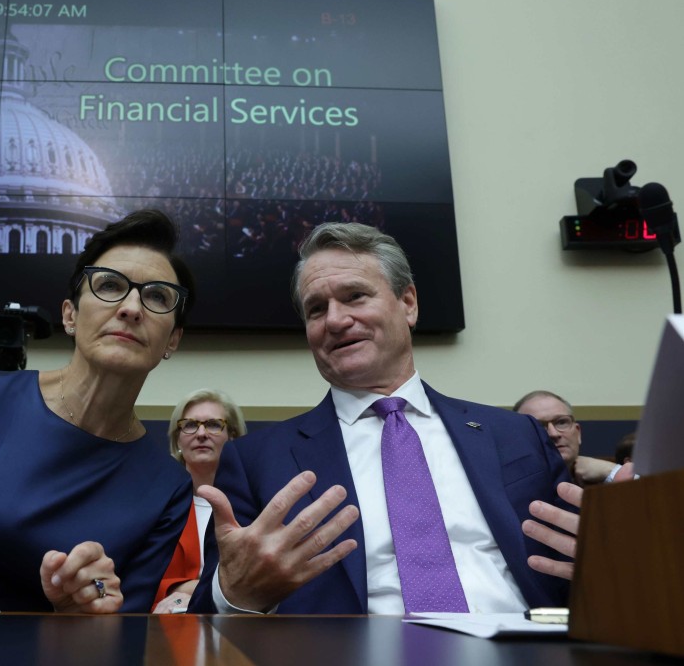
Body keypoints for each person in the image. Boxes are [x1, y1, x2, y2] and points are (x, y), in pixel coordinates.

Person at [189, 222, 573, 615]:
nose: (335, 320)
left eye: (355, 296)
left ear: (408, 303)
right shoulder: (255, 460)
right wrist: (236, 593)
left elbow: (587, 569)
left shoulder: (516, 436)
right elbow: (205, 616)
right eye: (316, 309)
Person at [0, 210, 196, 613]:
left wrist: (90, 610)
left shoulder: (167, 485)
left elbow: (123, 626)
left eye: (157, 296)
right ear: (70, 315)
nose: (131, 307)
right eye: (110, 286)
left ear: (172, 339)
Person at [153, 389, 247, 613]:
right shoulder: (157, 502)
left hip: (238, 621)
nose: (201, 433)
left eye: (214, 424)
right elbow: (141, 577)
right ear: (178, 439)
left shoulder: (251, 502)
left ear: (232, 436)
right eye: (190, 425)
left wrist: (194, 591)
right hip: (169, 622)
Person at [513, 391, 624, 484]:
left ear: (578, 433)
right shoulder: (505, 488)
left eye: (561, 422)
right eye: (538, 426)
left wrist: (613, 472)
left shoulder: (604, 476)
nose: (554, 434)